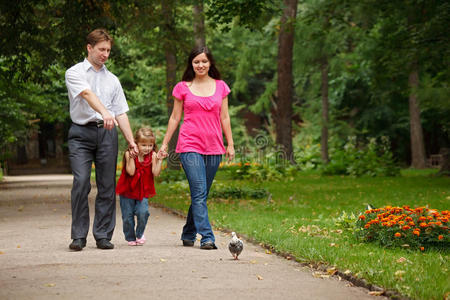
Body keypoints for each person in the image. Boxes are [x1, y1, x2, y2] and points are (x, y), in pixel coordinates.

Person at [65, 28, 138, 251]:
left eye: (108, 50)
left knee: (107, 186)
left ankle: (103, 235)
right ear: (89, 48)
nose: (105, 54)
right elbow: (87, 94)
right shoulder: (75, 72)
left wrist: (131, 141)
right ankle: (78, 236)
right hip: (81, 133)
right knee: (81, 182)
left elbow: (121, 113)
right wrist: (105, 112)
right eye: (101, 49)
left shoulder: (113, 80)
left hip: (107, 135)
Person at [158, 46, 235, 250]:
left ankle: (189, 232)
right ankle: (207, 236)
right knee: (199, 192)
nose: (200, 65)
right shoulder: (183, 87)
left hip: (214, 147)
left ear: (210, 63)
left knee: (201, 194)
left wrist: (230, 144)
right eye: (196, 62)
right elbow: (175, 117)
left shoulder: (221, 87)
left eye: (204, 61)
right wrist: (165, 143)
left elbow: (225, 117)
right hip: (189, 144)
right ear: (191, 64)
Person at [116, 127, 163, 246]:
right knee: (127, 216)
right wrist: (132, 157)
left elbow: (155, 173)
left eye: (150, 145)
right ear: (136, 144)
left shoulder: (152, 155)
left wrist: (160, 160)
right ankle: (130, 237)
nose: (147, 148)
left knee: (143, 212)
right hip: (127, 190)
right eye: (143, 145)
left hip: (143, 189)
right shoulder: (129, 154)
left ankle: (140, 233)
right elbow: (131, 172)